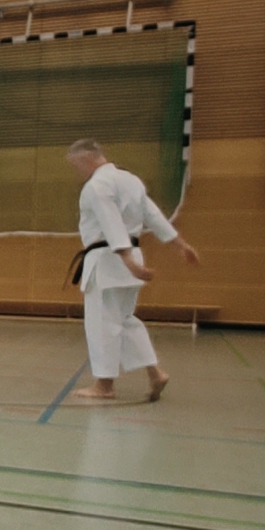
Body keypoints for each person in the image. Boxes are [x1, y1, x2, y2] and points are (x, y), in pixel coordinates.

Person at [66, 139, 200, 401]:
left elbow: (110, 222)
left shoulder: (96, 186)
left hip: (109, 260)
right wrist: (180, 244)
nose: (78, 170)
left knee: (102, 324)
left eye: (76, 165)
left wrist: (128, 261)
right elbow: (154, 216)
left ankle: (104, 386)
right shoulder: (131, 181)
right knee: (125, 320)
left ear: (86, 158)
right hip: (128, 257)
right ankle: (155, 372)